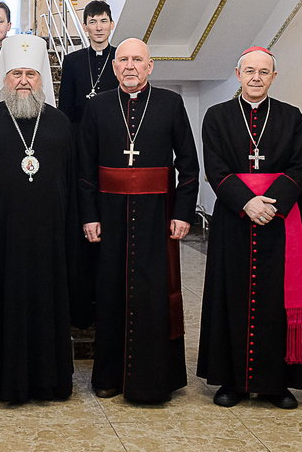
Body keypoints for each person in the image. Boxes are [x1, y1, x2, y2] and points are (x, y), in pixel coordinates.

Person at [78, 37, 199, 403]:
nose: (130, 66)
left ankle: (154, 379)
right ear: (114, 67)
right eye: (123, 60)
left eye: (137, 60)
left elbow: (189, 165)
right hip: (110, 214)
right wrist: (89, 215)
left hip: (157, 215)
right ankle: (109, 376)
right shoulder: (97, 106)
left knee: (153, 294)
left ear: (150, 66)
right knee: (111, 291)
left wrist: (183, 212)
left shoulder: (170, 103)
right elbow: (85, 167)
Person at [196, 47, 302, 410]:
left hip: (279, 222)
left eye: (264, 71)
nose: (256, 77)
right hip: (234, 218)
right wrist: (247, 202)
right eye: (250, 71)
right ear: (238, 73)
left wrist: (270, 204)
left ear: (273, 77)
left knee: (276, 299)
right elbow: (214, 167)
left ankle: (276, 384)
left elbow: (300, 167)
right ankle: (232, 382)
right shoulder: (217, 116)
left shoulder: (292, 117)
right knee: (231, 296)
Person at [0, 35, 73, 404]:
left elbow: (72, 179)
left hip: (49, 237)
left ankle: (50, 382)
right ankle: (5, 383)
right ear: (4, 77)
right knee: (4, 305)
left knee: (48, 307)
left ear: (42, 78)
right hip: (2, 236)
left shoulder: (61, 123)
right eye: (16, 73)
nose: (23, 81)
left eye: (31, 73)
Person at [58, 0, 119, 124]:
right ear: (85, 27)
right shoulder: (72, 61)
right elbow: (65, 105)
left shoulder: (121, 58)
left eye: (103, 21)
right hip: (80, 131)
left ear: (112, 25)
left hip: (114, 129)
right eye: (92, 22)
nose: (99, 28)